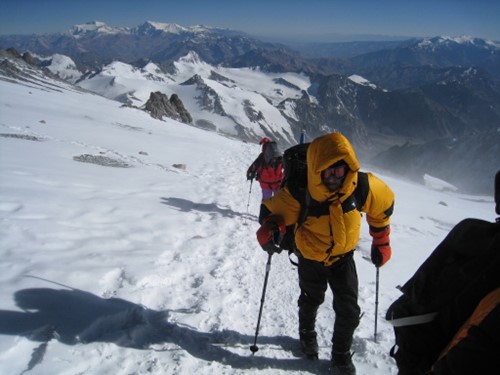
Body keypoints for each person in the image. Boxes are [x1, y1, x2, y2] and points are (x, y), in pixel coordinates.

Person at [256, 132, 395, 375]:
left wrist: (381, 242)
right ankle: (307, 335)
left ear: (348, 168)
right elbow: (270, 212)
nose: (333, 178)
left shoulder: (360, 186)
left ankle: (340, 356)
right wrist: (271, 229)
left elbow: (383, 206)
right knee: (311, 299)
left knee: (349, 311)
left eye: (339, 171)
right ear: (316, 171)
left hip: (343, 259)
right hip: (310, 257)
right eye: (327, 172)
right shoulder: (301, 193)